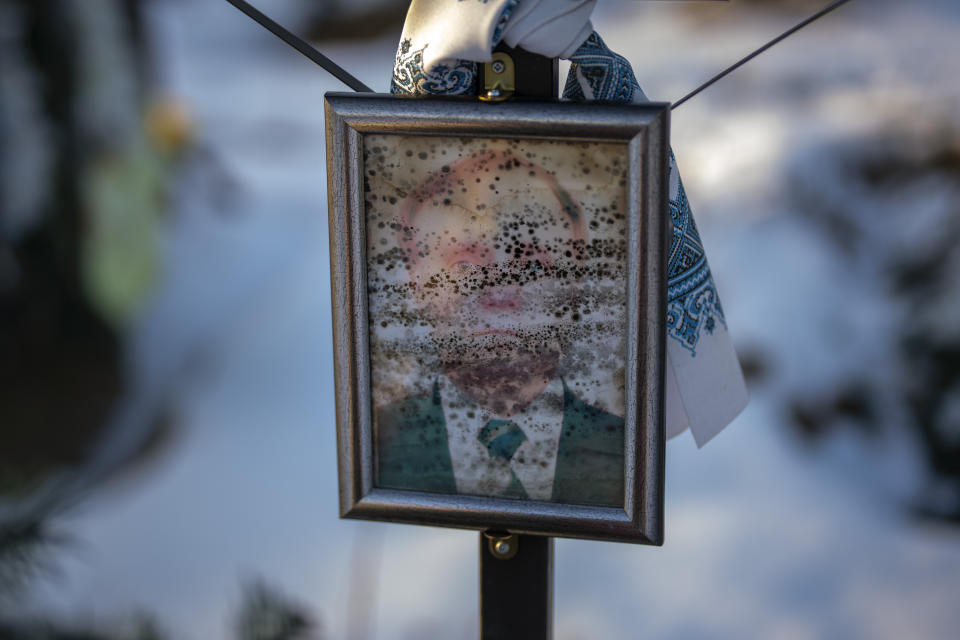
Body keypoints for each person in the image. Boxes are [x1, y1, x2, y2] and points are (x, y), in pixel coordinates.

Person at [375, 148, 624, 507]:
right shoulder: (378, 447)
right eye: (465, 265)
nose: (501, 294)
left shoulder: (624, 450)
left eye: (534, 265)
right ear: (418, 284)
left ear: (575, 282)